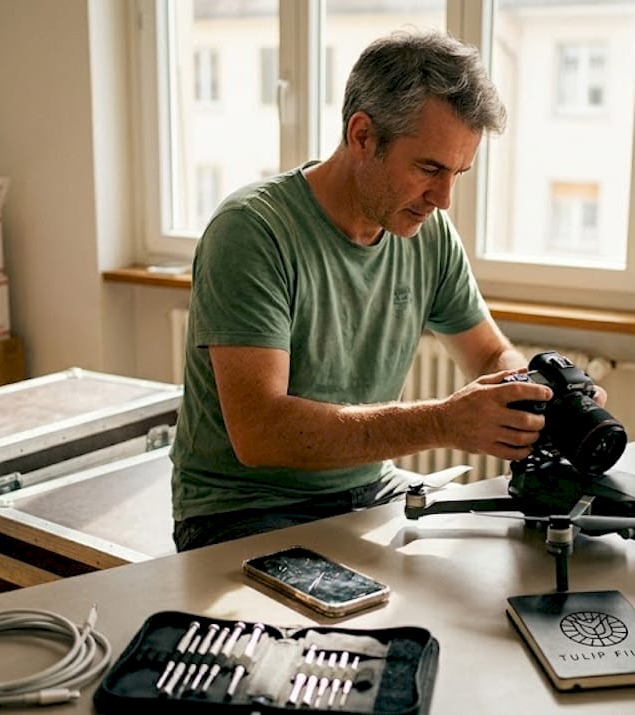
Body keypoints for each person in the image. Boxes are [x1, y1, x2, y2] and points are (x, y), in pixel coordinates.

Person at [171, 29, 595, 552]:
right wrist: (444, 421)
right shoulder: (252, 231)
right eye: (429, 169)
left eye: (458, 173)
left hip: (368, 489)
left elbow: (487, 352)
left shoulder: (426, 233)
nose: (443, 198)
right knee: (363, 627)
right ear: (363, 136)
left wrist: (539, 394)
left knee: (492, 578)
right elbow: (261, 431)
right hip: (244, 511)